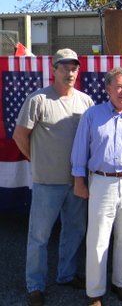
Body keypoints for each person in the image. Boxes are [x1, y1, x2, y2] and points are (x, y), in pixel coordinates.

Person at [12, 49, 94, 306]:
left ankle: (66, 275)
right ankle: (35, 285)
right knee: (39, 237)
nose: (70, 72)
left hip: (77, 181)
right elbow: (20, 136)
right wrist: (35, 160)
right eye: (65, 67)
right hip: (47, 182)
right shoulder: (38, 99)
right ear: (54, 68)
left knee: (74, 231)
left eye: (74, 68)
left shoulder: (86, 101)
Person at [71, 67, 122, 306]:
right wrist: (79, 180)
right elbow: (79, 150)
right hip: (101, 181)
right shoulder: (92, 115)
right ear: (107, 89)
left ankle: (121, 283)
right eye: (118, 86)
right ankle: (95, 292)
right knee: (98, 239)